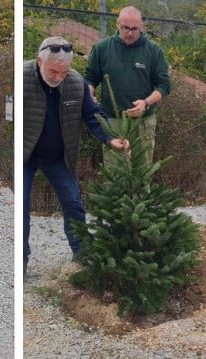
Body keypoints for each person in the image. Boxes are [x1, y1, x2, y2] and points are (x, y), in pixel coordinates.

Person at [24, 36, 128, 271]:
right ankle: (21, 259)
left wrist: (111, 138)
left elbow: (92, 115)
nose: (58, 78)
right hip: (25, 156)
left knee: (73, 203)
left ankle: (82, 253)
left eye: (64, 72)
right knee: (22, 208)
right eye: (53, 71)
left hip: (58, 156)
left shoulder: (75, 81)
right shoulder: (21, 77)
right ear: (40, 61)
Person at [84, 6, 171, 166]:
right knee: (114, 170)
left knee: (142, 173)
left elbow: (164, 85)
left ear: (141, 27)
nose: (130, 33)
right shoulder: (102, 48)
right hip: (112, 120)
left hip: (143, 121)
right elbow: (90, 78)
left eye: (134, 29)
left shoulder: (153, 51)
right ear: (117, 24)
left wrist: (146, 103)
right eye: (125, 28)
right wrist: (89, 93)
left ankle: (142, 192)